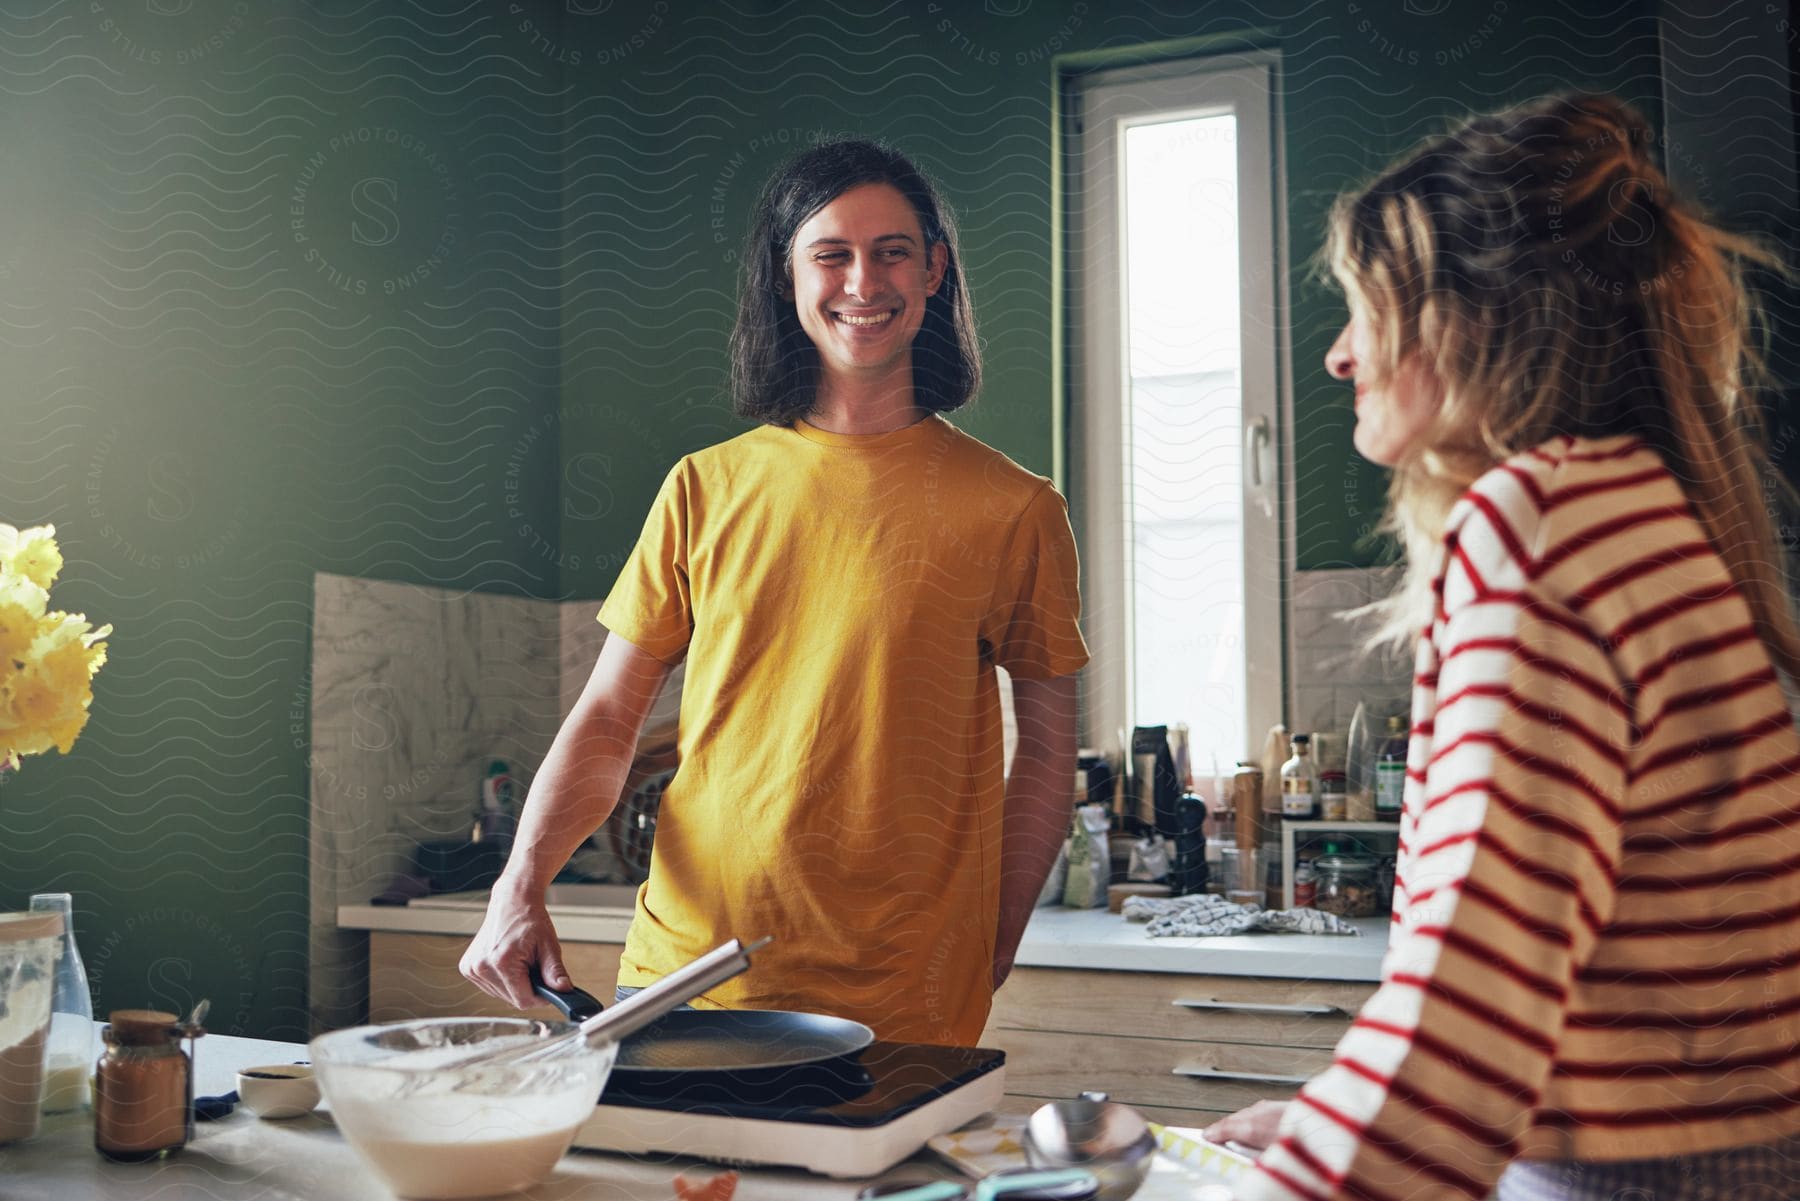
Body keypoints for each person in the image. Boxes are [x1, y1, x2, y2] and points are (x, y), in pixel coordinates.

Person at [1206, 93, 1800, 1200]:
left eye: (1361, 310)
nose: (1339, 358)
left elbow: (1477, 974)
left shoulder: (1541, 522)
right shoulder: (1636, 508)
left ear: (1465, 319)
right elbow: (1568, 962)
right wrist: (1326, 1114)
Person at [460, 140, 1088, 1048]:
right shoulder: (702, 488)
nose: (863, 281)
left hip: (906, 990)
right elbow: (607, 722)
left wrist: (991, 941)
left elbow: (1045, 755)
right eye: (830, 254)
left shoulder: (1016, 508)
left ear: (935, 269)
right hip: (686, 972)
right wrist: (518, 885)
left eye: (894, 251)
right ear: (788, 278)